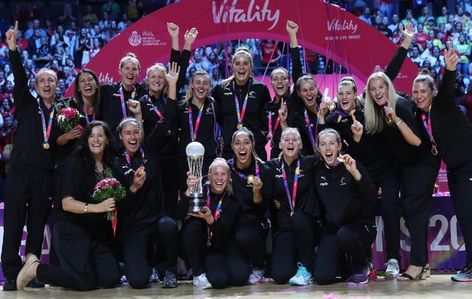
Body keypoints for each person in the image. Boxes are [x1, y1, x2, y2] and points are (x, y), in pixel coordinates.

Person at [15, 121, 121, 291]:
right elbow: (66, 203)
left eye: (100, 135)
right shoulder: (75, 162)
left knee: (111, 278)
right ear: (86, 140)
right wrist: (98, 207)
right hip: (70, 228)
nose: (95, 140)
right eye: (91, 136)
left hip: (94, 232)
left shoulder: (110, 165)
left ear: (107, 139)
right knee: (86, 283)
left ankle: (80, 272)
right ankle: (36, 269)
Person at [1, 21, 56, 291]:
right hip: (20, 173)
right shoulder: (26, 103)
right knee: (13, 223)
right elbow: (20, 80)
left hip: (45, 176)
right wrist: (13, 50)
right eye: (42, 81)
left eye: (51, 81)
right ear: (36, 85)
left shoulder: (64, 113)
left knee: (36, 226)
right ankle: (11, 273)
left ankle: (31, 273)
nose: (46, 84)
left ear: (58, 85)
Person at [414, 47, 472, 282]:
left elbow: (447, 90)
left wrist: (449, 69)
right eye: (415, 91)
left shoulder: (441, 105)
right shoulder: (423, 116)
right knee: (464, 215)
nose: (418, 95)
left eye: (424, 91)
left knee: (468, 216)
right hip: (457, 169)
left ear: (432, 92)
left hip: (469, 164)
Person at [113, 118, 179, 288]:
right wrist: (133, 188)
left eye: (136, 132)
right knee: (138, 280)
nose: (133, 137)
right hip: (133, 226)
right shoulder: (116, 163)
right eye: (128, 133)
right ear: (120, 136)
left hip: (156, 218)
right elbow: (119, 205)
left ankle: (170, 270)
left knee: (169, 225)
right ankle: (142, 265)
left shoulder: (150, 150)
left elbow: (164, 122)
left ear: (141, 134)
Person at [140, 23, 197, 216]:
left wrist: (180, 41)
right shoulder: (141, 101)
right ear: (147, 80)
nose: (157, 80)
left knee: (172, 199)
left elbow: (176, 72)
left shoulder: (171, 98)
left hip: (172, 158)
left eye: (160, 77)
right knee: (154, 200)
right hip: (153, 158)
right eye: (153, 77)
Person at [313, 129, 376, 285]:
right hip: (333, 230)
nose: (328, 148)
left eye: (332, 144)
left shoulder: (351, 165)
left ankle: (362, 264)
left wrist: (355, 174)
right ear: (318, 148)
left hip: (357, 227)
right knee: (322, 278)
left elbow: (371, 195)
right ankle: (345, 267)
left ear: (339, 145)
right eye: (323, 144)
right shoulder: (316, 170)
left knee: (345, 235)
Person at [266, 127, 320, 286]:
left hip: (306, 224)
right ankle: (299, 260)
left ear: (301, 145)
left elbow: (327, 150)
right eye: (286, 139)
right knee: (279, 276)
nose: (290, 142)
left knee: (299, 219)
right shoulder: (271, 167)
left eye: (295, 139)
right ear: (280, 144)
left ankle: (305, 266)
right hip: (285, 227)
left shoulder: (310, 163)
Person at [178, 158, 242, 289]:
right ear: (209, 175)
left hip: (217, 248)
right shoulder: (199, 191)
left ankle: (209, 267)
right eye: (215, 174)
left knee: (227, 279)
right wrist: (188, 192)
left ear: (229, 177)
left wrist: (210, 220)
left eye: (223, 174)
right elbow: (177, 214)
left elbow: (224, 235)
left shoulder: (233, 200)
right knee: (193, 225)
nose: (219, 178)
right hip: (197, 246)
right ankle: (197, 272)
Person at [227, 127, 272, 284]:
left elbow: (262, 211)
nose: (242, 147)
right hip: (231, 226)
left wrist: (257, 193)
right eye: (237, 143)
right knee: (238, 277)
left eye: (246, 143)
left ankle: (260, 265)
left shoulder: (264, 170)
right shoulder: (226, 170)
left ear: (252, 145)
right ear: (232, 146)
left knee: (244, 235)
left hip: (253, 224)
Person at [212, 47, 271, 160]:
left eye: (245, 63)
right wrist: (224, 135)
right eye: (238, 63)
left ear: (251, 66)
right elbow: (215, 117)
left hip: (255, 150)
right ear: (232, 66)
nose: (241, 67)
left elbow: (267, 119)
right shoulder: (220, 89)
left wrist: (260, 138)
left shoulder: (260, 89)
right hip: (229, 150)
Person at [265, 20, 303, 160]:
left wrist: (292, 36)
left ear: (290, 81)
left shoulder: (295, 100)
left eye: (283, 78)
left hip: (296, 154)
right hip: (275, 156)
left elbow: (298, 71)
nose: (279, 81)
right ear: (271, 83)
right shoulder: (267, 107)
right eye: (275, 79)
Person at [177, 69, 219, 192]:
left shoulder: (215, 106)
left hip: (208, 160)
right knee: (187, 197)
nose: (201, 86)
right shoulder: (181, 107)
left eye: (205, 83)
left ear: (210, 86)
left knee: (206, 197)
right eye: (198, 82)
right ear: (191, 85)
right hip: (186, 161)